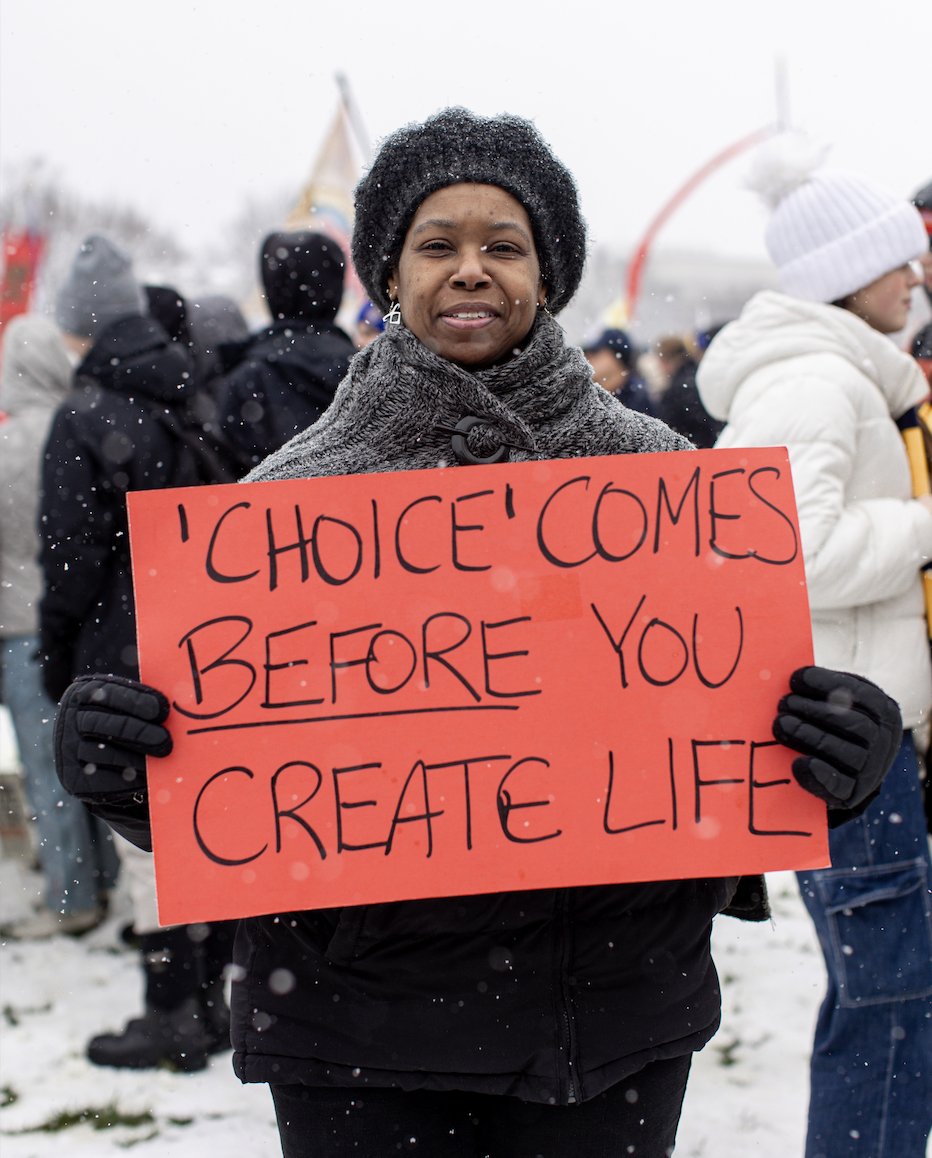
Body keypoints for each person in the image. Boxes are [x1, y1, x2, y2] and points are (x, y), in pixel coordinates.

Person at [53, 109, 904, 1158]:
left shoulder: (660, 483)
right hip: (354, 1034)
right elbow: (231, 773)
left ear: (545, 275)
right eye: (436, 245)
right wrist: (124, 769)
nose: (470, 270)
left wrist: (831, 746)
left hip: (609, 1023)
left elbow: (726, 715)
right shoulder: (285, 499)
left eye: (502, 245)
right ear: (387, 274)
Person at [696, 141, 932, 1158]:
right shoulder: (809, 384)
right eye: (898, 258)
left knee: (892, 1000)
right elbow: (780, 560)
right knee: (885, 1004)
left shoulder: (832, 375)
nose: (916, 275)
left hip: (855, 742)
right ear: (845, 272)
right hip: (841, 751)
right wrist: (926, 525)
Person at [39, 234, 234, 1070]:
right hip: (205, 641)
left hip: (119, 650)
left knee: (145, 838)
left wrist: (58, 657)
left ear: (79, 326)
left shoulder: (84, 413)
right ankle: (209, 1001)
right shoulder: (194, 391)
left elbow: (71, 557)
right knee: (203, 827)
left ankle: (171, 1015)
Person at [0, 314, 120, 938]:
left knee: (46, 770)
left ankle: (71, 899)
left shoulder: (11, 440)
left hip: (19, 621)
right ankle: (98, 878)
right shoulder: (80, 424)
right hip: (78, 619)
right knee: (84, 758)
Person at [216, 230, 356, 466]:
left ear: (271, 290)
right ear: (336, 289)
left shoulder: (246, 380)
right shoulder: (369, 370)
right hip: (366, 503)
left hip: (269, 503)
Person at [653, 334, 723, 449]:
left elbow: (667, 428)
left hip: (691, 455)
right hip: (710, 451)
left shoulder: (677, 389)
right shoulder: (698, 376)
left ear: (665, 361)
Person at [581, 326, 657, 415]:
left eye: (595, 352)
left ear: (616, 358)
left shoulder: (637, 401)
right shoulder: (589, 395)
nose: (588, 357)